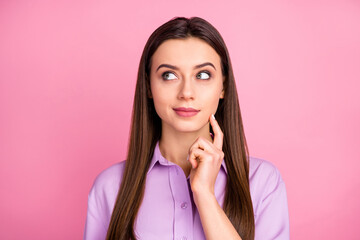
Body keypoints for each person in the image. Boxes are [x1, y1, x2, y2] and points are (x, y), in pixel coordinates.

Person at [84, 17, 289, 240]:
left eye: (202, 75)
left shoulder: (262, 181)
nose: (186, 92)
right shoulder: (110, 187)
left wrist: (204, 194)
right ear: (149, 86)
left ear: (223, 86)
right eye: (169, 75)